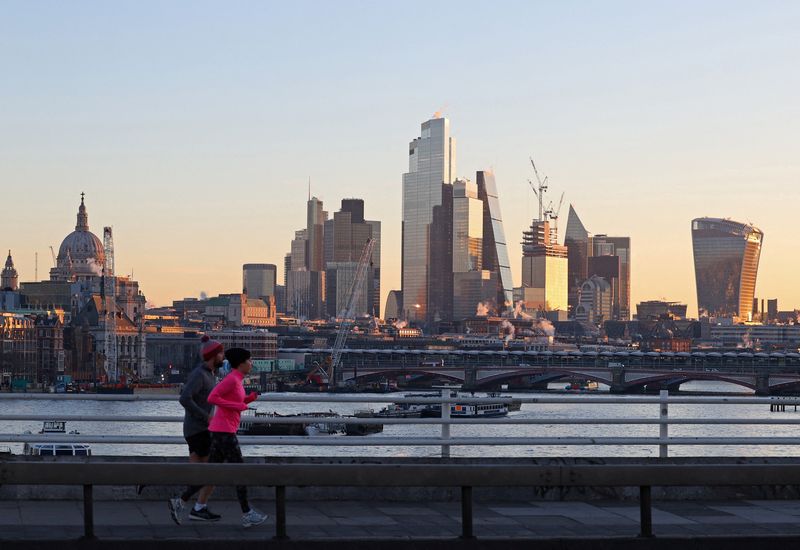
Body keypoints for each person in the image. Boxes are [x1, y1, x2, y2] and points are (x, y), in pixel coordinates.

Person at [207, 347, 268, 528]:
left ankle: (180, 500)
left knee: (210, 471)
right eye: (249, 360)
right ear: (241, 363)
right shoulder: (232, 379)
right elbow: (212, 398)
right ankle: (247, 513)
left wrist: (249, 399)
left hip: (223, 429)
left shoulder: (237, 379)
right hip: (224, 431)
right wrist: (238, 407)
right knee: (240, 471)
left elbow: (237, 401)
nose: (252, 363)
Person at [168, 335, 224, 524]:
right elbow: (184, 398)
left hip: (196, 429)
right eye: (220, 353)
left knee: (197, 473)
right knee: (212, 471)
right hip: (199, 430)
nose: (223, 356)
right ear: (213, 355)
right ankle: (188, 503)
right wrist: (205, 416)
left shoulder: (210, 374)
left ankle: (194, 506)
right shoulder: (200, 375)